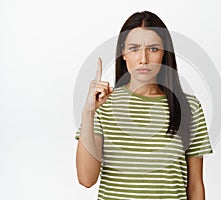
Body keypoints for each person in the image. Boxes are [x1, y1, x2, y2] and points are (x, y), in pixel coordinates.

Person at [75, 10, 213, 200]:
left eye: (153, 49)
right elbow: (86, 179)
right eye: (134, 48)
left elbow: (196, 186)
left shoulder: (189, 107)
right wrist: (88, 112)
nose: (143, 59)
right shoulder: (103, 106)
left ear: (165, 53)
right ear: (123, 52)